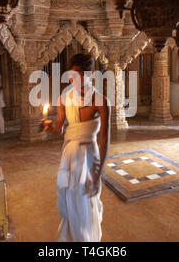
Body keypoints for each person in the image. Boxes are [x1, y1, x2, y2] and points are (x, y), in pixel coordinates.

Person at [41, 53, 111, 242]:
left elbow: (104, 140)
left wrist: (97, 175)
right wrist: (48, 126)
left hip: (90, 157)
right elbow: (59, 129)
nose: (74, 80)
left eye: (78, 75)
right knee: (71, 201)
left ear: (90, 73)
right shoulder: (64, 98)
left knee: (87, 200)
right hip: (70, 157)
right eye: (71, 76)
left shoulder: (101, 101)